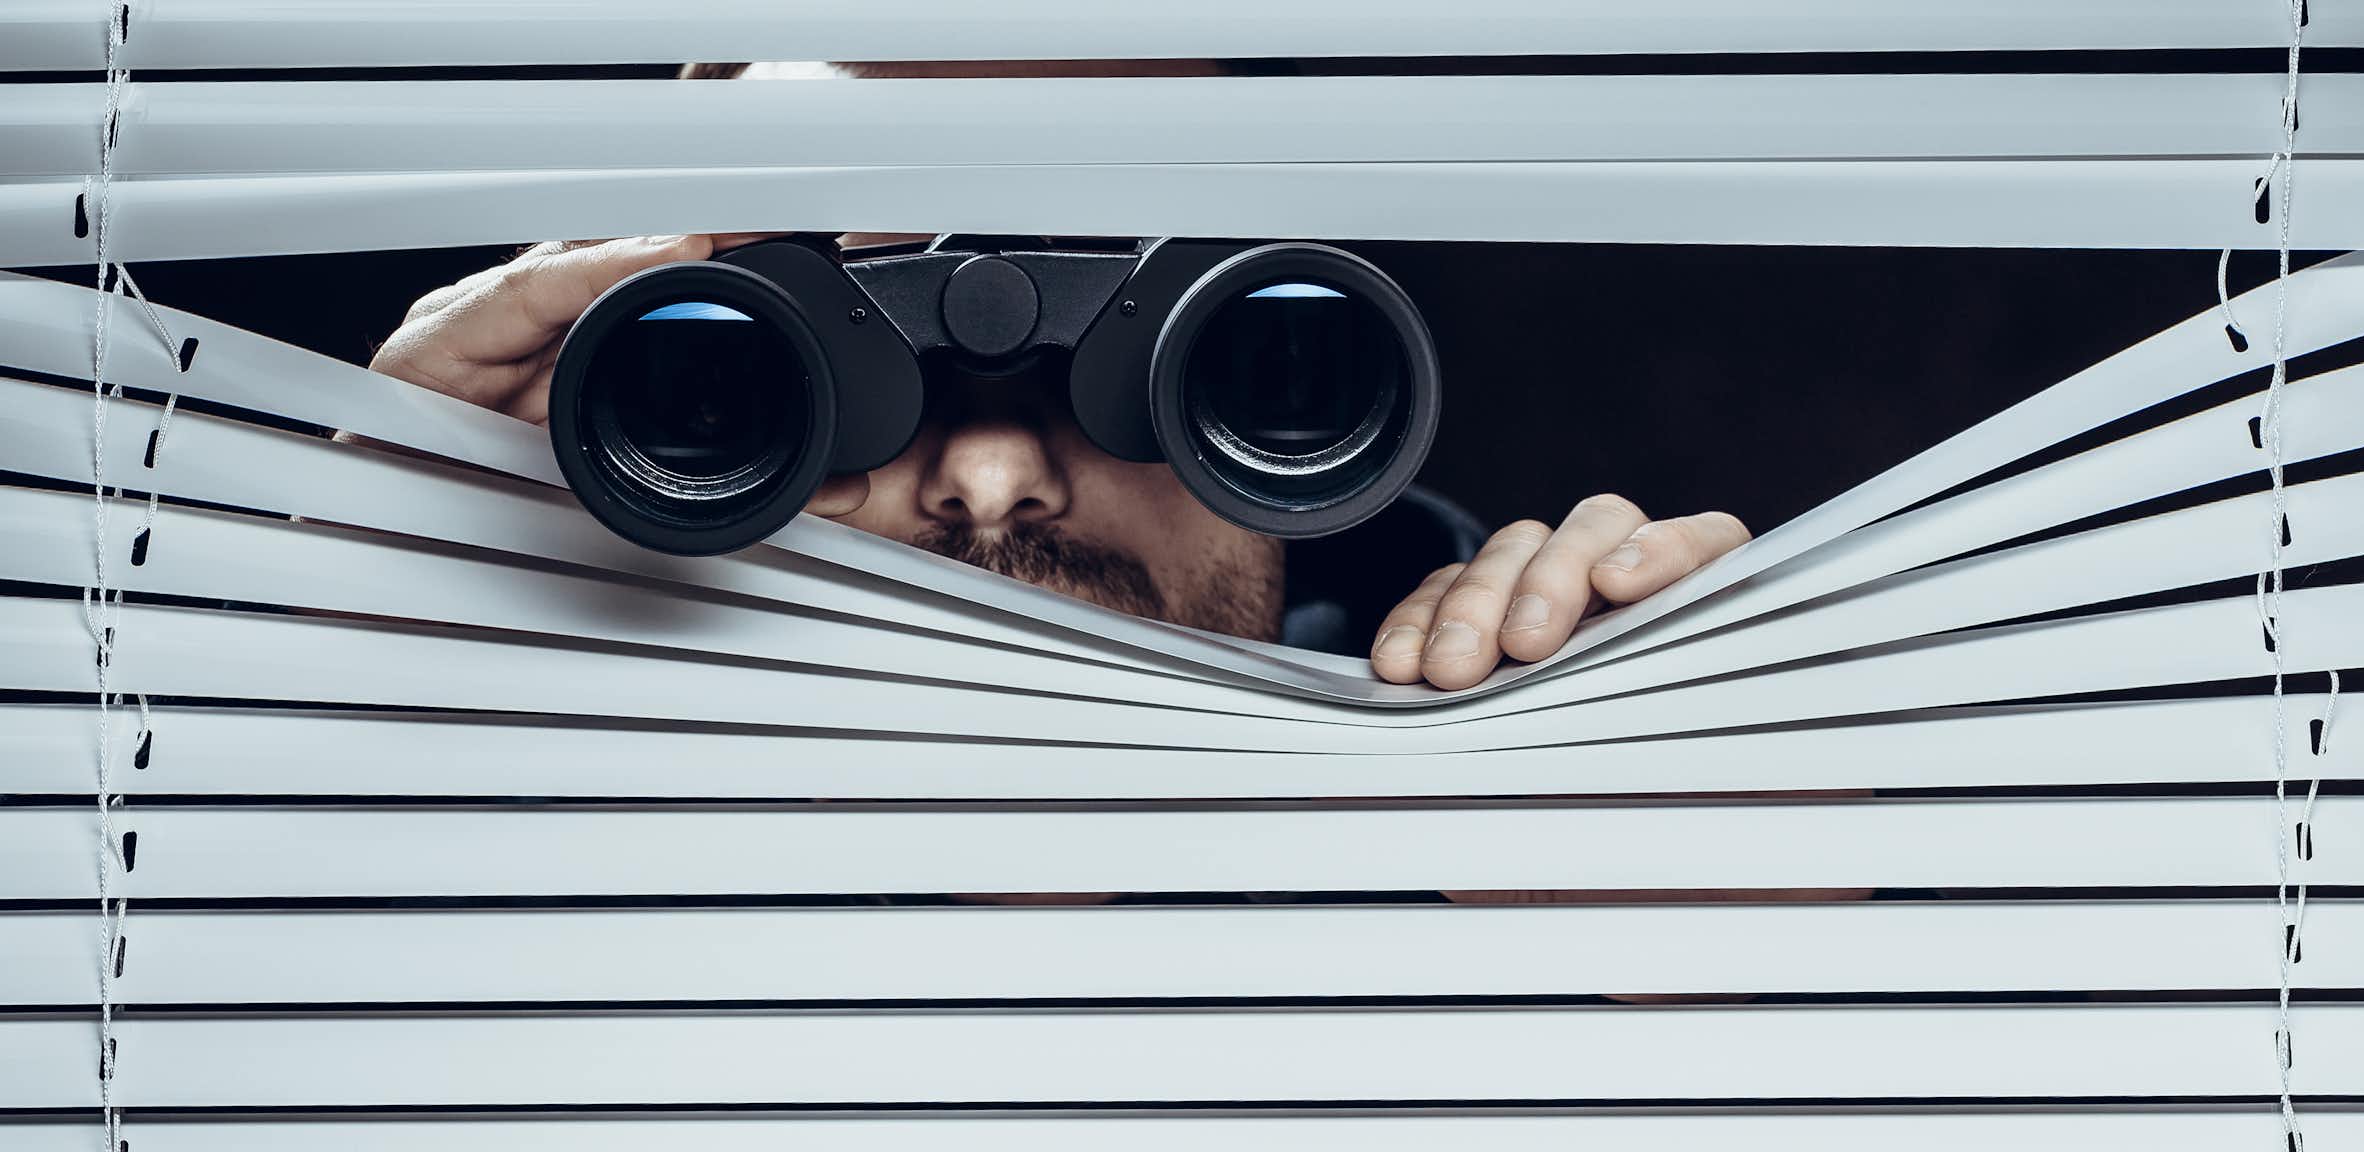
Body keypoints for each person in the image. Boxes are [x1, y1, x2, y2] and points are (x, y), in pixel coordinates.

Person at [363, 58, 1754, 692]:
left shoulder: (1492, 785)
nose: (991, 474)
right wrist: (354, 634)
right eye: (792, 355)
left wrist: (1703, 975)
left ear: (1296, 387)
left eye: (1153, 350)